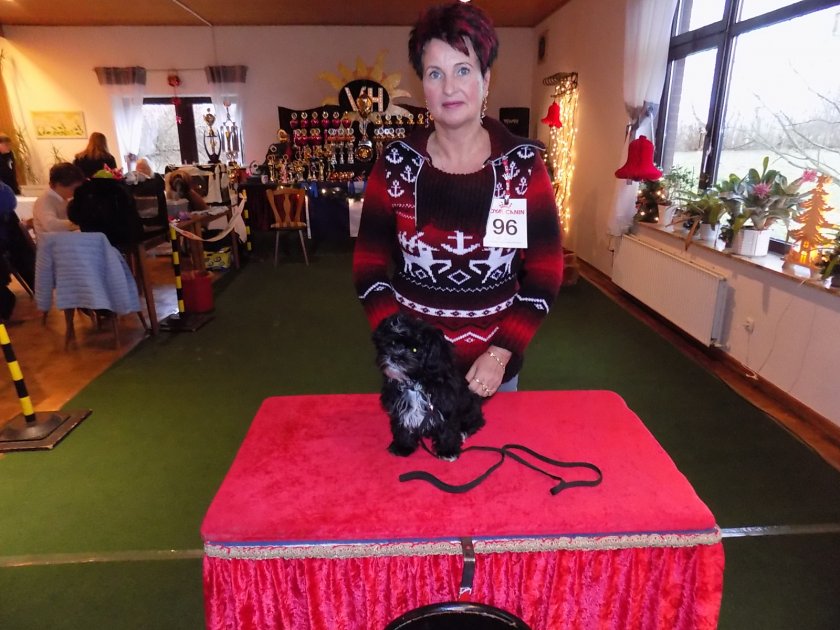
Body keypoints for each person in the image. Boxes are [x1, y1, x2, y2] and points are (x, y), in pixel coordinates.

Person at [353, 2, 563, 399]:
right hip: (414, 370)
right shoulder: (395, 165)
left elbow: (546, 269)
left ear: (486, 79)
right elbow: (368, 267)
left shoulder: (521, 166)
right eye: (436, 73)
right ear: (424, 85)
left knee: (499, 441)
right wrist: (399, 344)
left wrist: (502, 352)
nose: (449, 88)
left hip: (497, 372)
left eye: (463, 70)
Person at [68, 167, 143, 249]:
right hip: (121, 241)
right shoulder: (121, 190)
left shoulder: (82, 191)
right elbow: (132, 218)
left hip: (92, 240)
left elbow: (73, 216)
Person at [32, 162, 85, 236]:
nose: (76, 192)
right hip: (51, 242)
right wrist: (80, 224)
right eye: (74, 189)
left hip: (63, 239)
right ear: (58, 185)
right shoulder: (45, 200)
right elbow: (51, 225)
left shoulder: (64, 199)